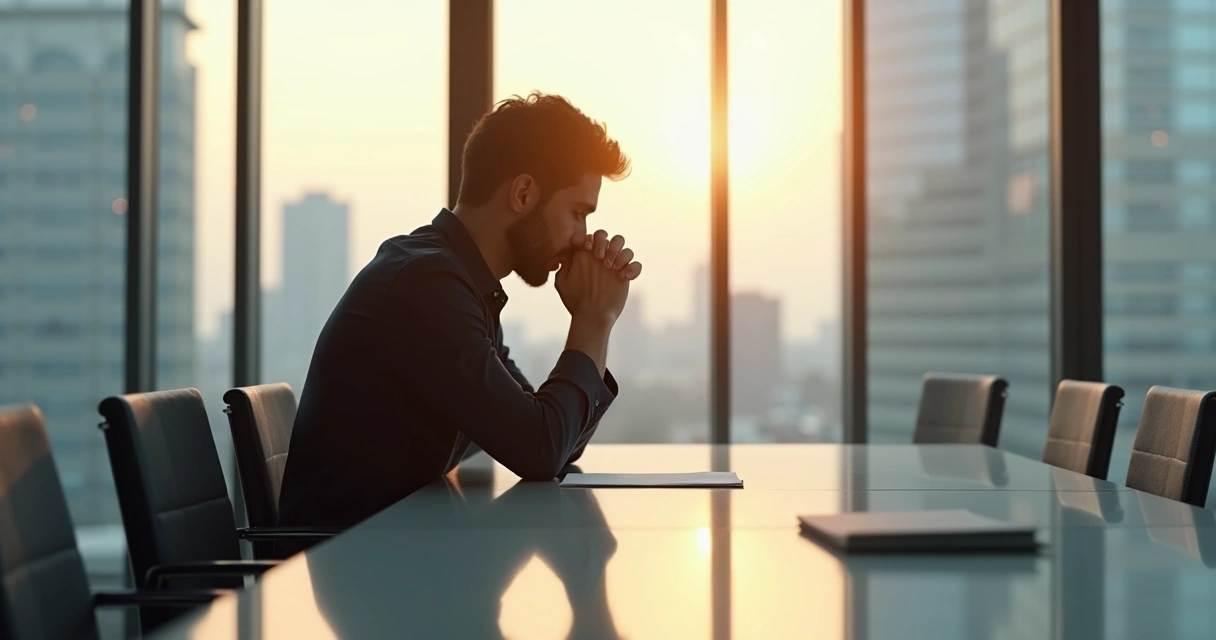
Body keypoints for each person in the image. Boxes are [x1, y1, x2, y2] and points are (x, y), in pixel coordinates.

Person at [276, 92, 641, 531]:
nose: (583, 238)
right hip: (359, 570)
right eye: (577, 213)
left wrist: (594, 324)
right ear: (524, 193)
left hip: (394, 555)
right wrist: (592, 319)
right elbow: (540, 450)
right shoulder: (426, 287)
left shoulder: (463, 285)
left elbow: (554, 442)